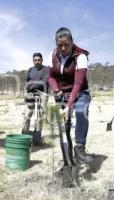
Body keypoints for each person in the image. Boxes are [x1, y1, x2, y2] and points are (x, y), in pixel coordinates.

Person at [48, 27, 93, 172]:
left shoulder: (80, 56)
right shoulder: (53, 54)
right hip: (61, 93)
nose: (63, 48)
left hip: (80, 92)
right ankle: (68, 162)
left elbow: (78, 84)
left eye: (66, 44)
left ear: (72, 42)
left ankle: (79, 148)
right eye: (59, 45)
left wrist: (69, 106)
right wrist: (55, 90)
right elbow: (50, 77)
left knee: (81, 112)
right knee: (63, 127)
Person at [22, 52, 49, 134]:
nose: (37, 61)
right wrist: (30, 84)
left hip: (43, 93)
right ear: (33, 61)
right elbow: (25, 81)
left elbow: (44, 82)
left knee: (39, 115)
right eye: (35, 60)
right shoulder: (30, 70)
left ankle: (37, 134)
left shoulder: (46, 69)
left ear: (42, 60)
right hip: (30, 93)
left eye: (39, 60)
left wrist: (31, 84)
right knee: (27, 114)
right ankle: (24, 133)